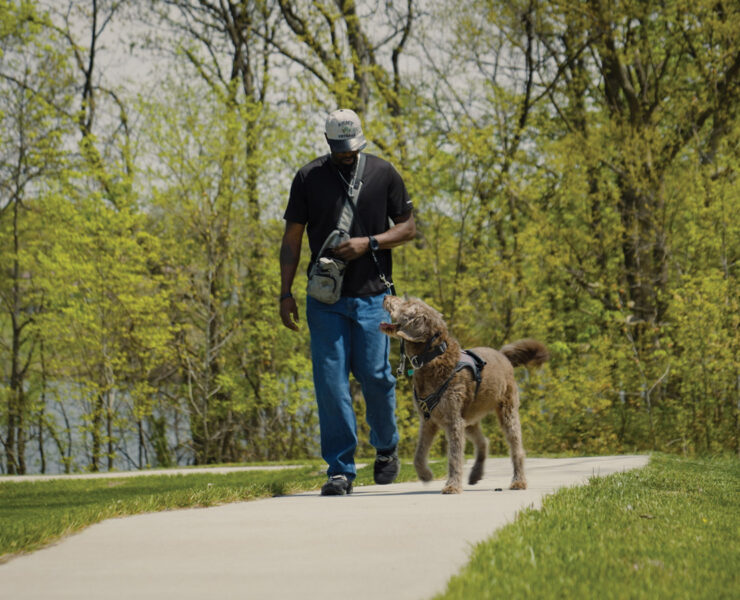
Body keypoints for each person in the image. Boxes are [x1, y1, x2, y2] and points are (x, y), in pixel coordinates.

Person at [279, 108, 416, 496]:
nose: (347, 154)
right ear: (328, 142)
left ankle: (386, 448)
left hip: (373, 296)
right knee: (331, 383)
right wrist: (285, 292)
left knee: (376, 377)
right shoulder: (308, 178)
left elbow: (408, 227)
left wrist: (369, 242)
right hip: (325, 299)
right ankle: (340, 470)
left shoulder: (383, 172)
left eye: (352, 147)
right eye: (340, 148)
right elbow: (291, 240)